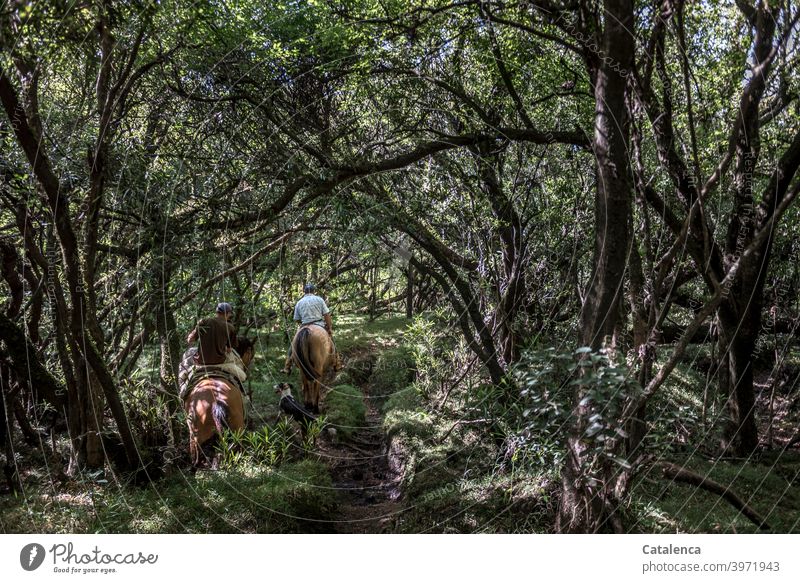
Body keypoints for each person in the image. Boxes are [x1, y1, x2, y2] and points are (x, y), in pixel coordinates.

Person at [180, 302, 247, 399]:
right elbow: (229, 350)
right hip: (220, 362)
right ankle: (242, 394)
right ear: (228, 313)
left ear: (217, 312)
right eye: (230, 314)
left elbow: (191, 339)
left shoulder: (204, 321)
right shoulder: (230, 327)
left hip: (200, 363)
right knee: (239, 368)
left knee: (182, 370)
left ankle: (181, 395)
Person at [282, 283, 339, 374]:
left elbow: (297, 319)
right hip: (319, 324)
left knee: (293, 344)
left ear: (304, 291)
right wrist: (329, 328)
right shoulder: (319, 299)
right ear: (314, 291)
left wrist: (303, 324)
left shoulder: (299, 302)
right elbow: (326, 315)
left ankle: (287, 364)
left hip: (304, 325)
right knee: (331, 340)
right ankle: (337, 362)